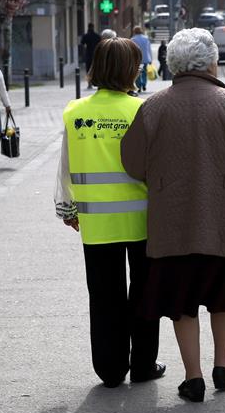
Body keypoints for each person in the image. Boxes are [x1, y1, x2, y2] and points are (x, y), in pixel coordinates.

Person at [120, 28, 225, 403]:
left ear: (173, 63)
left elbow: (132, 161)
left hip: (172, 225)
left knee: (181, 301)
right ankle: (223, 366)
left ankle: (193, 377)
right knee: (224, 296)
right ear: (211, 62)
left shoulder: (153, 107)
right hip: (223, 223)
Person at [54, 37, 165, 389]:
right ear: (127, 69)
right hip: (143, 220)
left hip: (96, 223)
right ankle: (143, 364)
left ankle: (110, 369)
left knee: (104, 298)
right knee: (145, 293)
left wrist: (67, 209)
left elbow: (65, 168)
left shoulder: (75, 112)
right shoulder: (141, 111)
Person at [131, 26, 152, 93]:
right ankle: (144, 84)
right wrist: (150, 58)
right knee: (144, 72)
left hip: (137, 59)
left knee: (137, 72)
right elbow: (149, 49)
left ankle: (139, 85)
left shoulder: (133, 39)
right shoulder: (146, 38)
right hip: (145, 58)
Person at [81, 23, 101, 90]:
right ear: (93, 27)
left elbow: (82, 44)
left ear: (88, 27)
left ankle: (89, 84)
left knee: (88, 70)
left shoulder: (86, 36)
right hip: (96, 55)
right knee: (97, 70)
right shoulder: (97, 36)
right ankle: (98, 83)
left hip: (88, 55)